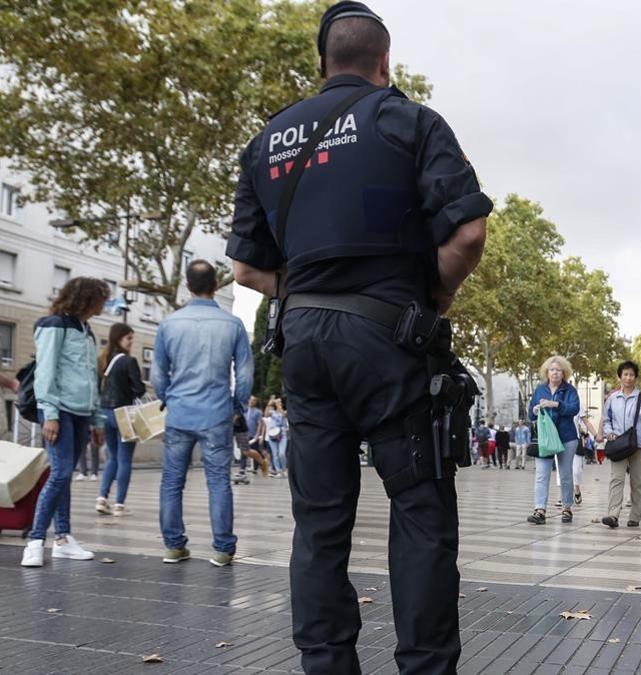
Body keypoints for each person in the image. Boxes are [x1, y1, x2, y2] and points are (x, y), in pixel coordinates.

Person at [225, 3, 491, 670]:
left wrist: (308, 292)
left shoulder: (269, 141)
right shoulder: (409, 119)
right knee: (421, 509)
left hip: (304, 343)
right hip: (390, 340)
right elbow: (468, 231)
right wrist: (432, 298)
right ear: (385, 62)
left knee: (318, 524)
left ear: (323, 64)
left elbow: (247, 266)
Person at [153, 260, 253, 567]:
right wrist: (238, 405)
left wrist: (167, 398)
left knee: (172, 482)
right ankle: (223, 548)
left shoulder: (169, 324)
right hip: (216, 413)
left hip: (180, 413)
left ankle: (174, 546)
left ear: (187, 285)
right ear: (215, 286)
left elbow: (158, 377)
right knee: (218, 481)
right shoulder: (232, 324)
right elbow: (246, 373)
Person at [21, 277, 110, 568]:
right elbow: (45, 371)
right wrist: (51, 413)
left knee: (65, 475)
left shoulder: (86, 331)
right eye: (101, 297)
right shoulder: (54, 325)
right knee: (59, 474)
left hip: (83, 413)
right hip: (59, 410)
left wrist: (97, 421)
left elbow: (92, 380)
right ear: (86, 298)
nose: (105, 303)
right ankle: (35, 541)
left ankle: (62, 539)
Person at [95, 323, 146, 516]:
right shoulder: (128, 361)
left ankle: (102, 498)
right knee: (125, 460)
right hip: (123, 415)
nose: (131, 342)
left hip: (105, 413)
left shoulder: (104, 359)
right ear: (119, 339)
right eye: (129, 338)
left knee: (112, 458)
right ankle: (119, 505)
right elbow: (139, 390)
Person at [601, 360, 641, 528]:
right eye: (625, 374)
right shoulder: (612, 398)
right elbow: (606, 420)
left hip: (638, 445)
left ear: (636, 377)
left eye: (631, 374)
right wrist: (609, 431)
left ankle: (635, 516)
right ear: (620, 377)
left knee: (637, 481)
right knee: (616, 479)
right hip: (618, 444)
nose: (628, 377)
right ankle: (613, 514)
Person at [526, 356, 580, 524]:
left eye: (558, 370)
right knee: (542, 474)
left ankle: (567, 508)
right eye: (552, 370)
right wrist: (535, 410)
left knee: (565, 474)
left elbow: (574, 409)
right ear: (546, 372)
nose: (555, 373)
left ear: (564, 373)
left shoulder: (570, 390)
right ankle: (539, 510)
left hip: (566, 437)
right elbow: (529, 414)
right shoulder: (540, 389)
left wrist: (555, 404)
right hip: (545, 437)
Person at [265, 399, 289, 478]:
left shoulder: (285, 411)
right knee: (275, 454)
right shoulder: (272, 412)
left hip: (282, 434)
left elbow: (284, 415)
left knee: (281, 454)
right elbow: (266, 414)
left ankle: (284, 469)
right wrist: (269, 404)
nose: (278, 403)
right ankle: (278, 471)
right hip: (272, 434)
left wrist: (279, 406)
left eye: (280, 402)